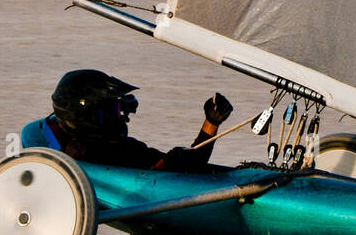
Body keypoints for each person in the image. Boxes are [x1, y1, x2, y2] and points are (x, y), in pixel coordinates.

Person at [28, 68, 233, 172]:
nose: (118, 118)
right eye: (108, 113)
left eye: (117, 109)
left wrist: (211, 123)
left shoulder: (124, 148)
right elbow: (144, 187)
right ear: (83, 118)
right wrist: (166, 165)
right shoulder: (85, 156)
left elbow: (191, 169)